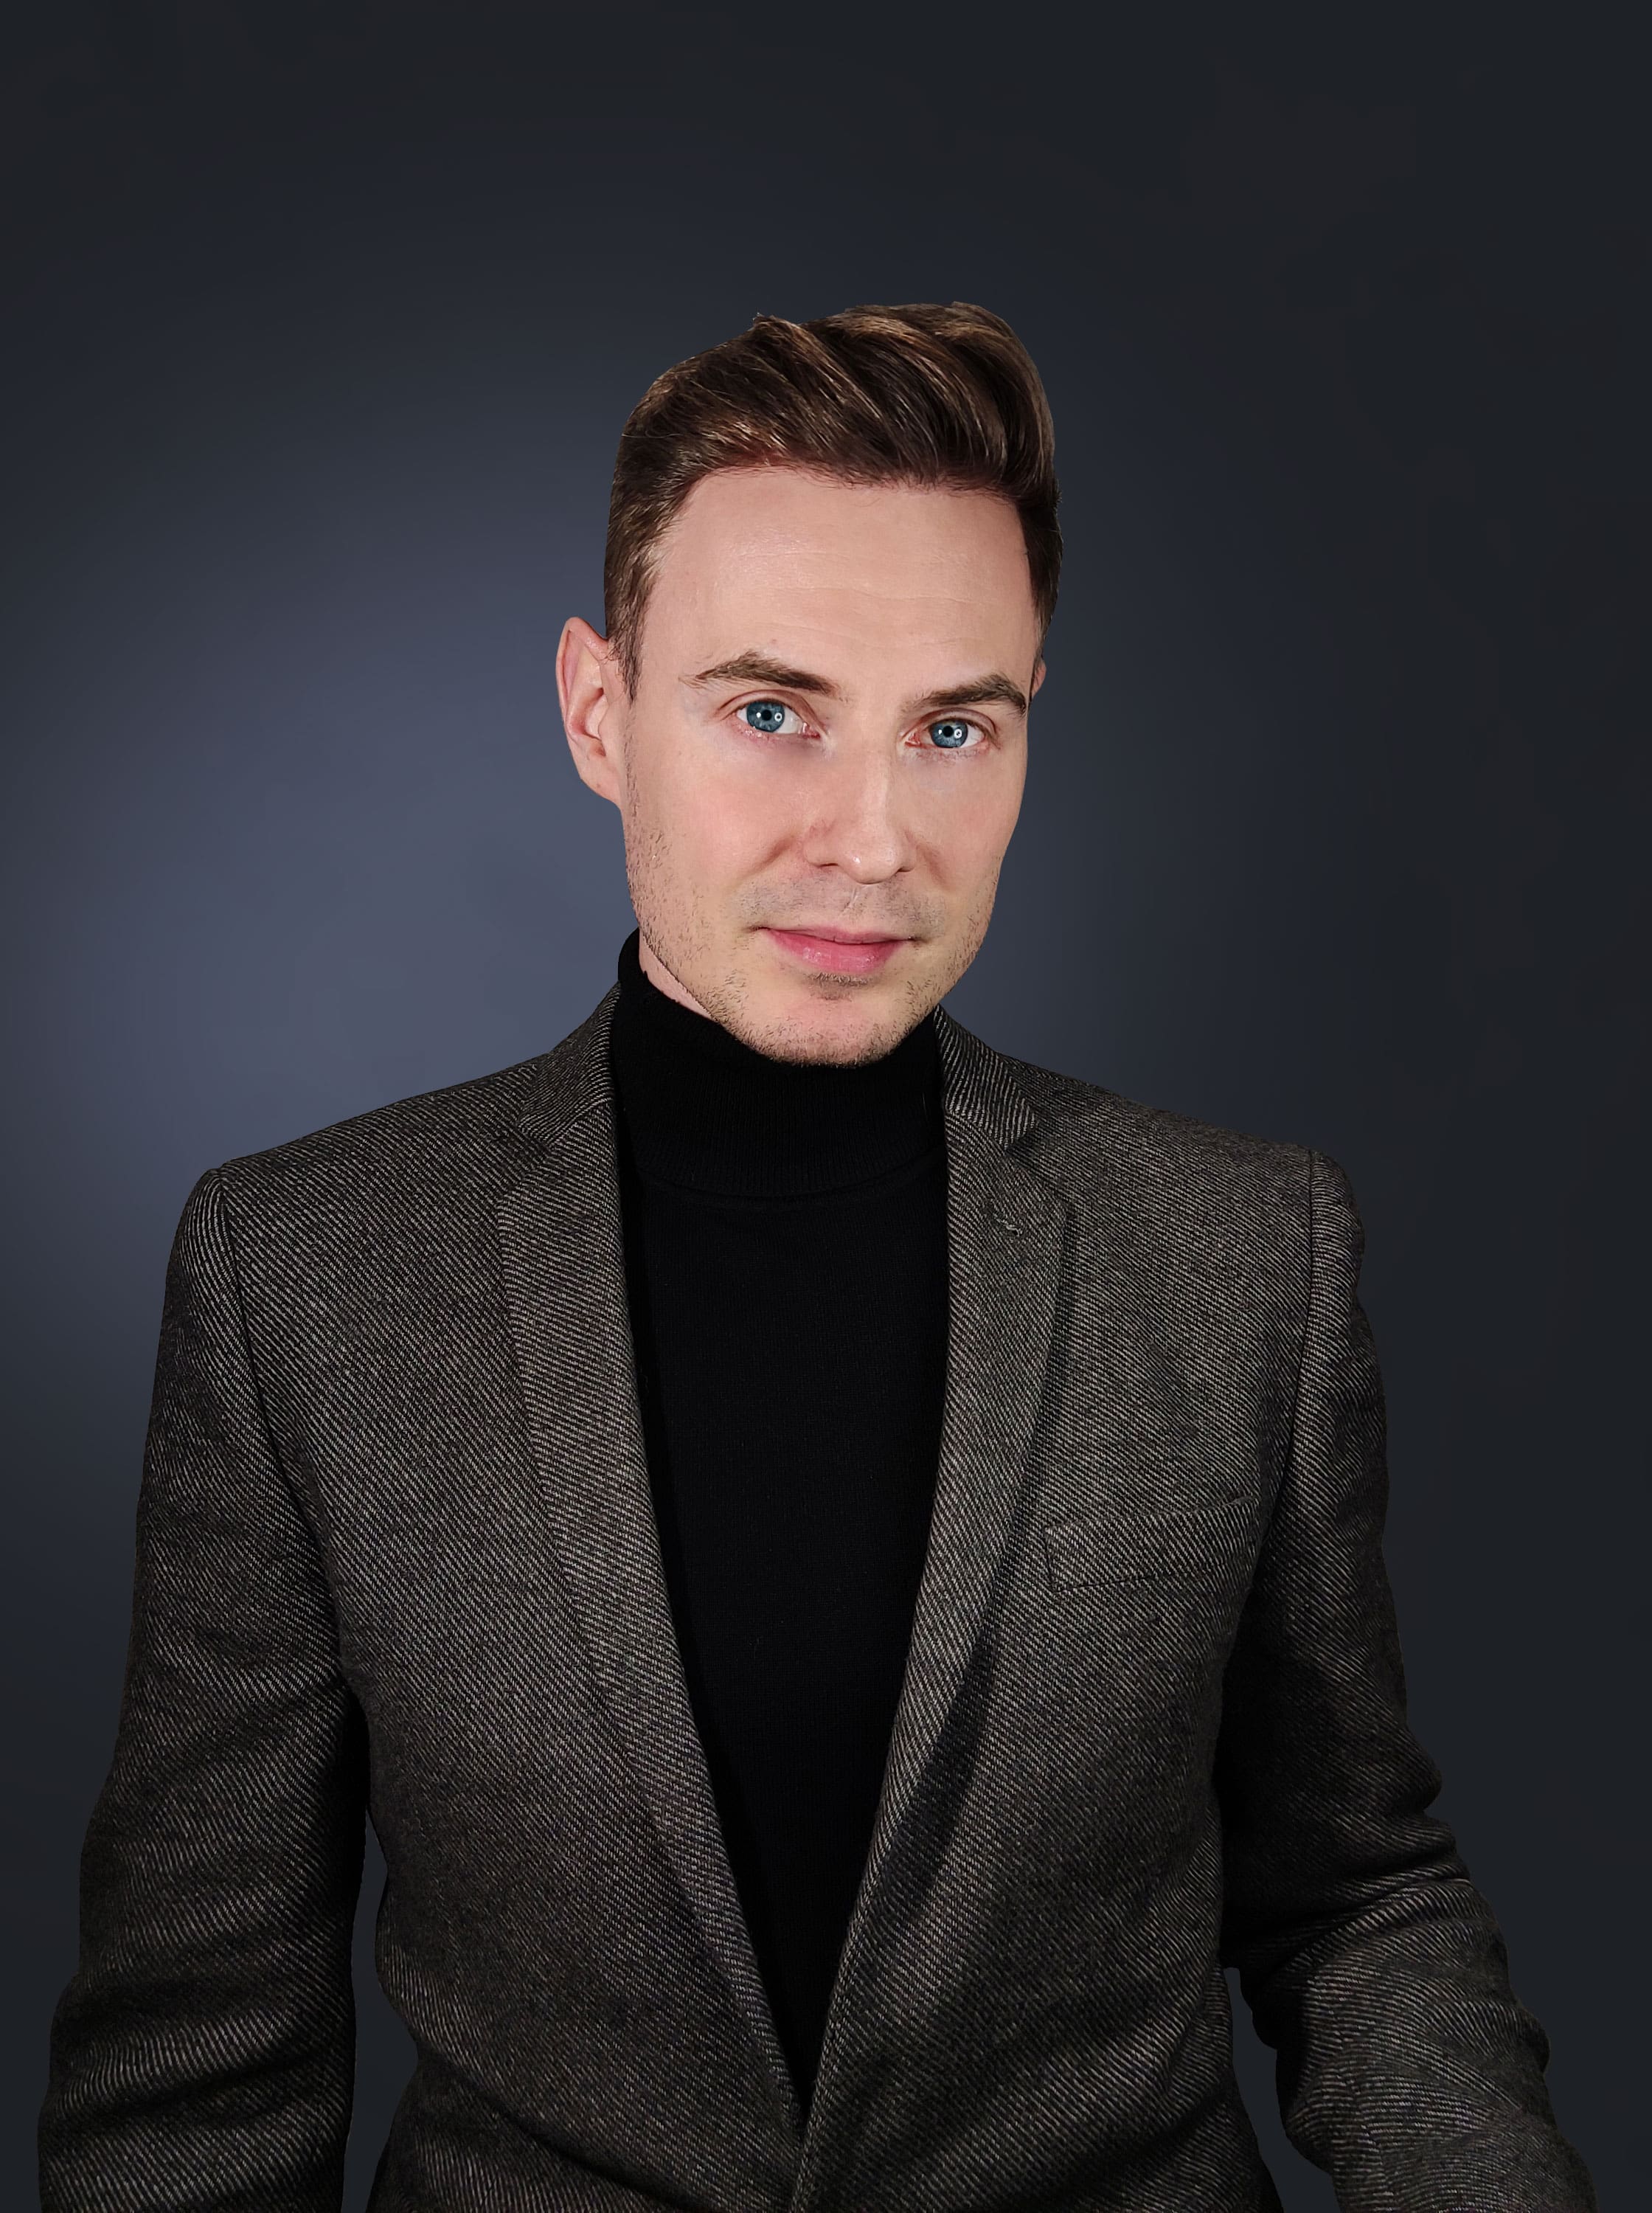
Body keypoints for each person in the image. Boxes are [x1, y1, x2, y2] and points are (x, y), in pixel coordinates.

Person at [39, 301, 1595, 2212]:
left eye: (953, 728)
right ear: (599, 713)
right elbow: (200, 2063)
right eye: (772, 711)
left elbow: (1356, 1898)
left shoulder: (1249, 1254)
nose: (873, 841)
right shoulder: (303, 1277)